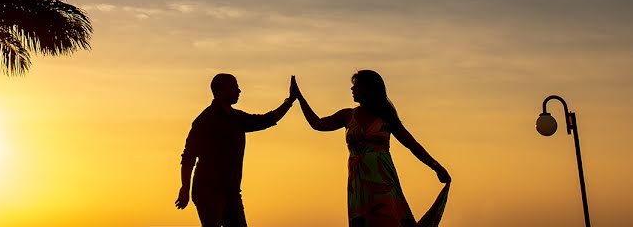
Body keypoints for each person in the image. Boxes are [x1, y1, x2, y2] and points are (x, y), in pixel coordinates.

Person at [291, 71, 451, 227]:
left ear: (369, 89)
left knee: (388, 218)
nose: (352, 89)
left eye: (356, 86)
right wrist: (299, 98)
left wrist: (436, 167)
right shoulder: (348, 115)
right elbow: (318, 124)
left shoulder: (386, 116)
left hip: (383, 180)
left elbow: (411, 144)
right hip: (359, 184)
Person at [176, 73, 295, 227]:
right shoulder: (204, 120)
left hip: (231, 192)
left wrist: (290, 101)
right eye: (235, 87)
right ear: (222, 90)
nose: (239, 91)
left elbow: (266, 120)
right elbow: (188, 158)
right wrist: (185, 188)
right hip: (208, 191)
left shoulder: (237, 118)